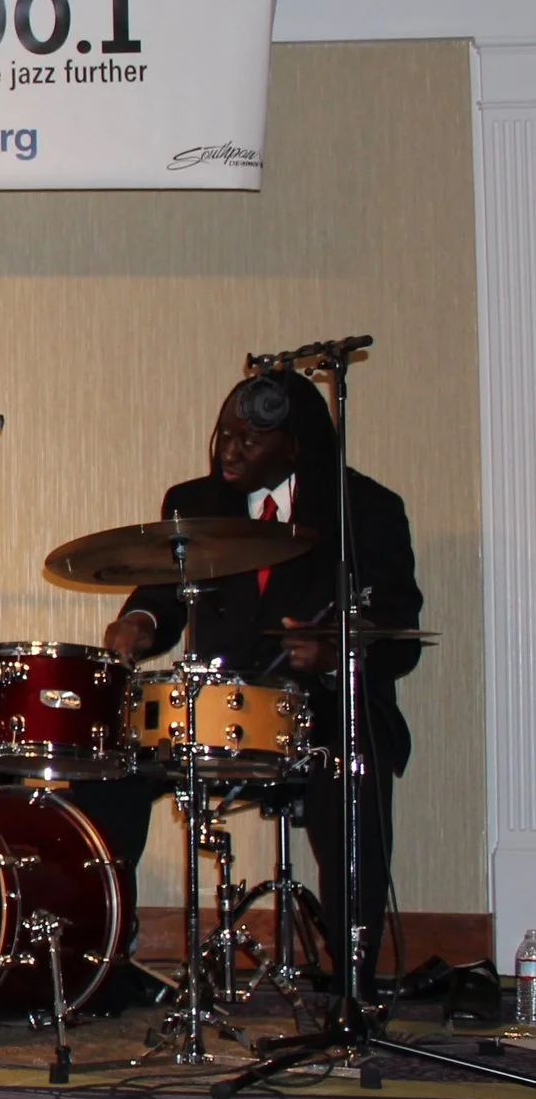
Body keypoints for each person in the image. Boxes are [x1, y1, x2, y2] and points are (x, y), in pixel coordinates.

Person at [69, 369, 422, 1001]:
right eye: (224, 436)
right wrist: (139, 623)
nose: (228, 453)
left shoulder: (364, 510)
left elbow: (397, 632)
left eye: (248, 443)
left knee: (353, 769)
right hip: (213, 710)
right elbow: (161, 594)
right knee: (104, 771)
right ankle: (101, 965)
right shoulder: (196, 503)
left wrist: (334, 651)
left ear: (294, 447)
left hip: (322, 708)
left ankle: (354, 987)